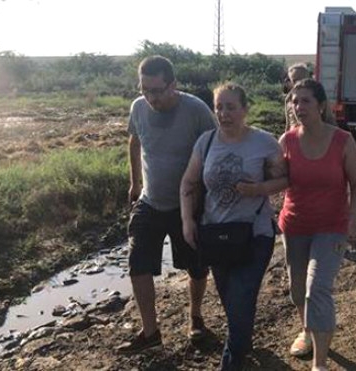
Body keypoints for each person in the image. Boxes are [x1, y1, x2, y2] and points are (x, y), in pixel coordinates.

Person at [180, 83, 288, 370]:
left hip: (255, 233)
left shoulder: (264, 142)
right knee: (232, 299)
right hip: (216, 235)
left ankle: (232, 362)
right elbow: (188, 183)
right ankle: (243, 340)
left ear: (245, 109)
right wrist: (187, 221)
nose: (224, 114)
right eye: (219, 107)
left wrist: (260, 188)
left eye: (230, 107)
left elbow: (285, 179)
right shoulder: (206, 141)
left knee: (241, 295)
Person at [116, 55, 217, 354]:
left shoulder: (196, 110)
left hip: (187, 204)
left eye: (157, 90)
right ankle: (150, 332)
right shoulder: (138, 107)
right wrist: (135, 182)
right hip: (150, 200)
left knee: (196, 267)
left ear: (173, 85)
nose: (150, 97)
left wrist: (205, 197)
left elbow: (213, 150)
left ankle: (195, 317)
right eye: (145, 89)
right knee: (138, 265)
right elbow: (134, 141)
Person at [279, 78, 356, 371]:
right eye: (294, 101)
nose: (298, 106)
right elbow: (274, 179)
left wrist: (353, 219)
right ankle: (306, 330)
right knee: (297, 289)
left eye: (305, 100)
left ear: (320, 105)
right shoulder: (287, 140)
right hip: (294, 224)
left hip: (332, 226)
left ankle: (319, 364)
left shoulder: (342, 140)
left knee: (317, 288)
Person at [284, 63, 312, 133]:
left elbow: (329, 120)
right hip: (295, 138)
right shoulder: (288, 99)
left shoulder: (316, 97)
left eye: (301, 80)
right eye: (295, 81)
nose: (299, 83)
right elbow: (288, 124)